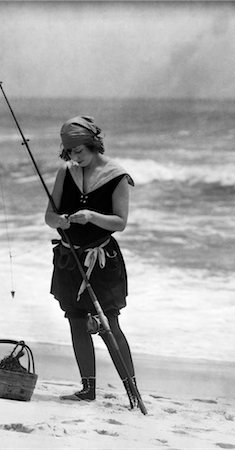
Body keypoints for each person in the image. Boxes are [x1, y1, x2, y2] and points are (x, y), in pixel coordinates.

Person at [45, 115, 137, 407]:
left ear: (94, 144)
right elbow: (49, 217)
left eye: (79, 151)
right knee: (76, 320)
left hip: (101, 259)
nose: (75, 157)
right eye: (70, 152)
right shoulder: (66, 173)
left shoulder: (117, 176)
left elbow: (120, 223)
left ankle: (132, 391)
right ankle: (88, 389)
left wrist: (91, 217)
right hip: (69, 258)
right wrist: (58, 220)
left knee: (109, 323)